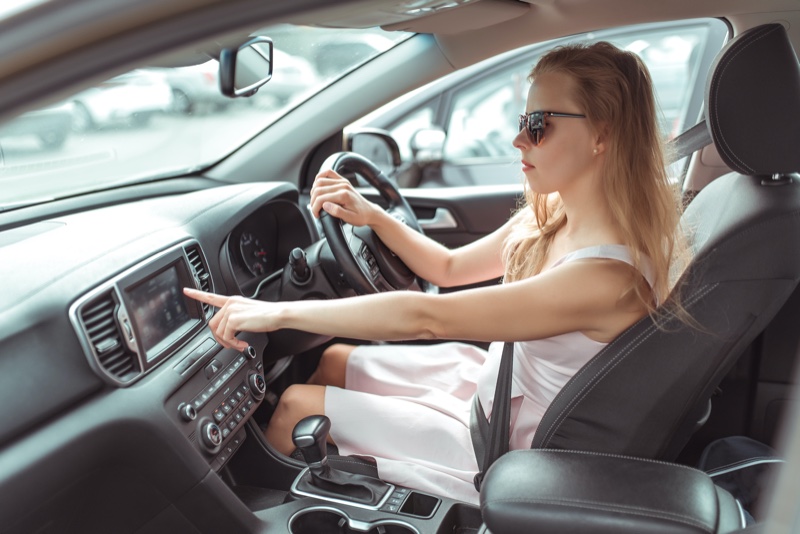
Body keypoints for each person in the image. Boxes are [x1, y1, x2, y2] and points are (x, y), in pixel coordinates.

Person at [184, 41, 687, 504]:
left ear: (602, 134)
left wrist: (275, 311)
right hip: (493, 384)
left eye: (538, 124)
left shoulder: (605, 277)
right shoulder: (551, 212)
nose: (517, 139)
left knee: (295, 403)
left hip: (502, 443)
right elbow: (447, 268)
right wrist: (374, 216)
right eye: (522, 119)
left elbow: (429, 316)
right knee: (334, 359)